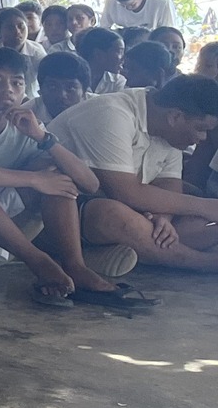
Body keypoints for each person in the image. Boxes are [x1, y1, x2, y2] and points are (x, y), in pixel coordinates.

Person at [0, 46, 131, 304]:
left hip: (8, 235)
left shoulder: (27, 128)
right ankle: (39, 261)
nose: (7, 89)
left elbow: (89, 183)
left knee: (56, 175)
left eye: (16, 83)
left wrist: (44, 139)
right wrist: (32, 179)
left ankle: (75, 265)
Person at [51, 74, 218, 274]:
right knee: (112, 214)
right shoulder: (112, 113)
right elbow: (125, 192)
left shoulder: (170, 131)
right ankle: (203, 263)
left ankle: (129, 252)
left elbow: (169, 184)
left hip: (136, 213)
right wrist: (204, 206)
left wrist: (163, 217)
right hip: (67, 214)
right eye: (201, 129)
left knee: (199, 223)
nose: (202, 138)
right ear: (175, 117)